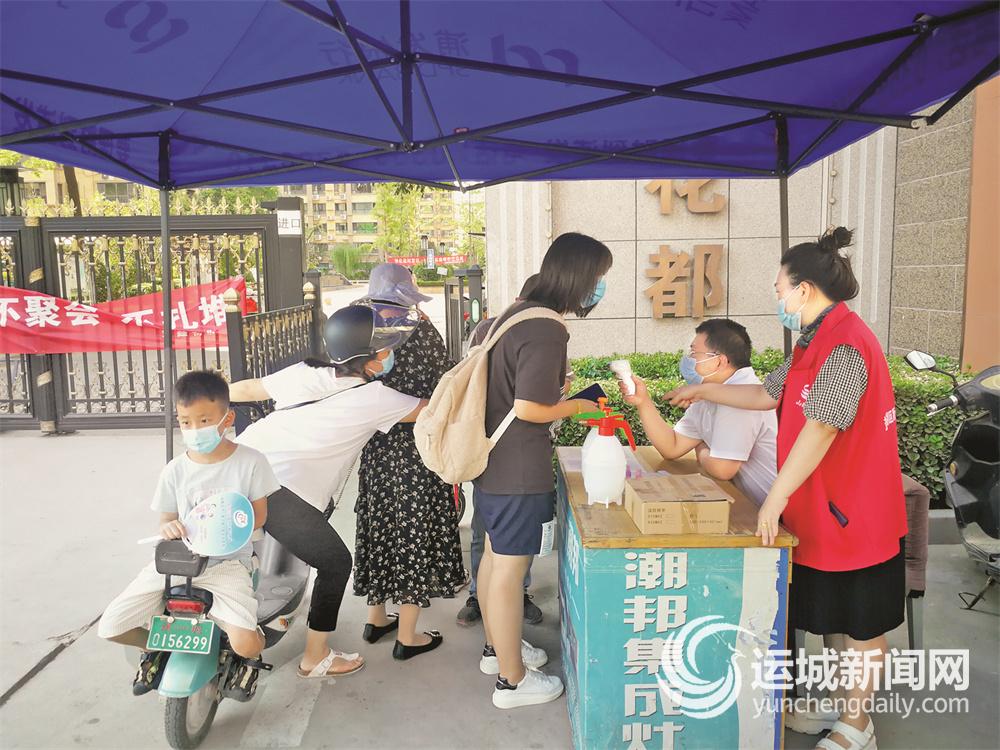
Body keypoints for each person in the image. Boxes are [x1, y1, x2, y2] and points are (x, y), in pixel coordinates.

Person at [667, 228, 907, 750]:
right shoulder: (811, 342)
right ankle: (844, 706)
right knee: (835, 618)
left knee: (861, 626)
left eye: (779, 288)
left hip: (858, 513)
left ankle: (858, 726)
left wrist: (774, 498)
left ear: (804, 289)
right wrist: (703, 390)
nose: (776, 297)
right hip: (826, 510)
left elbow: (822, 426)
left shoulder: (847, 345)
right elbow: (767, 395)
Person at [230, 302, 427, 678]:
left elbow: (251, 388)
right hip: (277, 490)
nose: (389, 355)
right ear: (369, 359)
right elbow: (433, 409)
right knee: (335, 563)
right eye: (384, 350)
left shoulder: (307, 372)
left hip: (235, 465)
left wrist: (209, 392)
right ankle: (315, 656)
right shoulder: (378, 398)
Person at [475, 232, 611, 709]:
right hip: (519, 467)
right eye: (599, 278)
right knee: (510, 571)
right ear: (580, 277)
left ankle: (497, 651)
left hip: (491, 462)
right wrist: (579, 404)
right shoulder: (547, 327)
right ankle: (512, 682)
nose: (600, 287)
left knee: (494, 560)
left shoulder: (510, 316)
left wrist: (555, 389)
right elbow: (530, 408)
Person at [98, 370, 280, 697]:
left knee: (246, 644)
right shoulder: (175, 470)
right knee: (111, 625)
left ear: (227, 418)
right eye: (185, 422)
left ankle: (247, 654)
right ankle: (156, 648)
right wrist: (169, 527)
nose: (194, 430)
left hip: (228, 566)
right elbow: (166, 519)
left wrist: (225, 525)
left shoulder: (251, 462)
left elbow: (259, 516)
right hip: (178, 564)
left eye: (204, 420)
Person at [353, 264, 466, 660]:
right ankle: (407, 635)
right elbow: (444, 387)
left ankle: (375, 619)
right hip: (417, 450)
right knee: (413, 532)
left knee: (382, 524)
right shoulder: (421, 332)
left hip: (376, 449)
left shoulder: (356, 329)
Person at [458, 273, 545, 628]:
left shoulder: (542, 332)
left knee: (515, 542)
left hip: (522, 451)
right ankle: (479, 598)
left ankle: (516, 595)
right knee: (486, 533)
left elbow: (555, 385)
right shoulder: (489, 329)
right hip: (490, 449)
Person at [621, 318, 777, 506]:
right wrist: (643, 401)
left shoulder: (741, 396)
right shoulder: (708, 391)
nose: (689, 360)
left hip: (771, 513)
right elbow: (672, 447)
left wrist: (700, 447)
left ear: (720, 361)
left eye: (694, 353)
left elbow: (722, 469)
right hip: (744, 502)